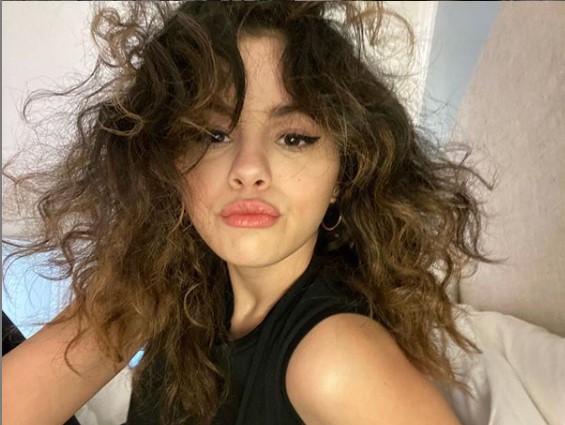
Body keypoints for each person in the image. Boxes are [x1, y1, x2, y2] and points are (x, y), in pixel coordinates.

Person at [2, 2, 493, 425]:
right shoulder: (168, 284)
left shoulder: (335, 358)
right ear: (168, 162)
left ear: (342, 176)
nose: (249, 169)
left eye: (294, 137)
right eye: (213, 134)